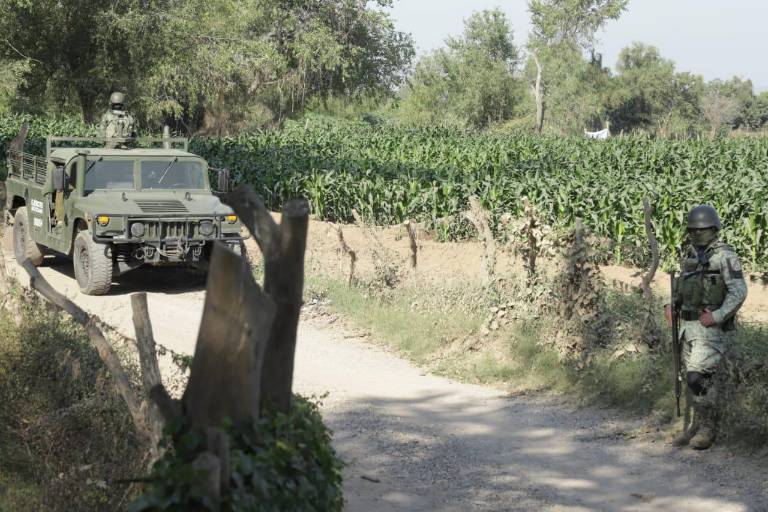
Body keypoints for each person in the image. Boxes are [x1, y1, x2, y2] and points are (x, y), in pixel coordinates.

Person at [665, 205, 748, 450]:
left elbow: (739, 291)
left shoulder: (725, 256)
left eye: (701, 230)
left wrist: (718, 316)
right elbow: (681, 288)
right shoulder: (690, 256)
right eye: (692, 230)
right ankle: (696, 426)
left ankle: (708, 428)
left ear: (713, 229)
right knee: (692, 379)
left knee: (697, 377)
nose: (696, 234)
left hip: (710, 329)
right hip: (688, 327)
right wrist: (670, 305)